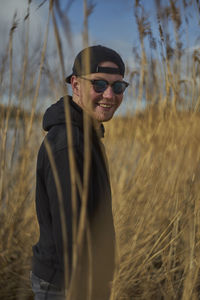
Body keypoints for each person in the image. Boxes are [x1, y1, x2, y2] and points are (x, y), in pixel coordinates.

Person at [31, 45, 129, 300]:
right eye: (98, 84)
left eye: (118, 87)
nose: (109, 95)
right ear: (75, 85)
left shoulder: (86, 133)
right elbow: (70, 239)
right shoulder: (69, 143)